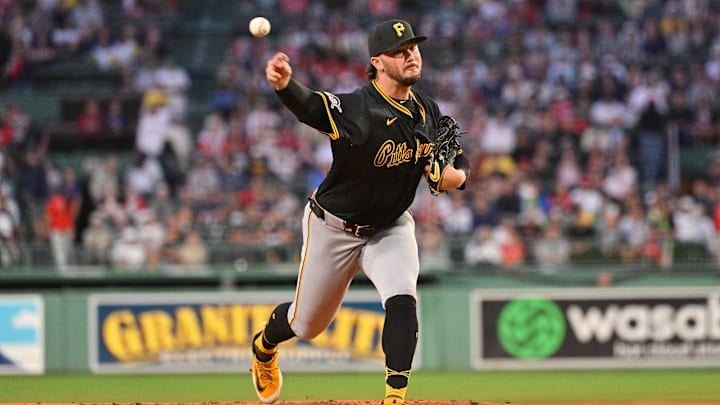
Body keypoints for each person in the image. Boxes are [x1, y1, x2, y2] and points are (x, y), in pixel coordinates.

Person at [250, 19, 470, 405]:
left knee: (402, 296)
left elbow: (459, 167)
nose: (411, 55)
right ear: (378, 62)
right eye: (400, 51)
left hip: (390, 226)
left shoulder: (428, 111)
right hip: (333, 227)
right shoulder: (358, 108)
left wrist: (448, 177)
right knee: (306, 325)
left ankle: (394, 397)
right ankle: (264, 346)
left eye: (414, 48)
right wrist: (286, 85)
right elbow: (313, 106)